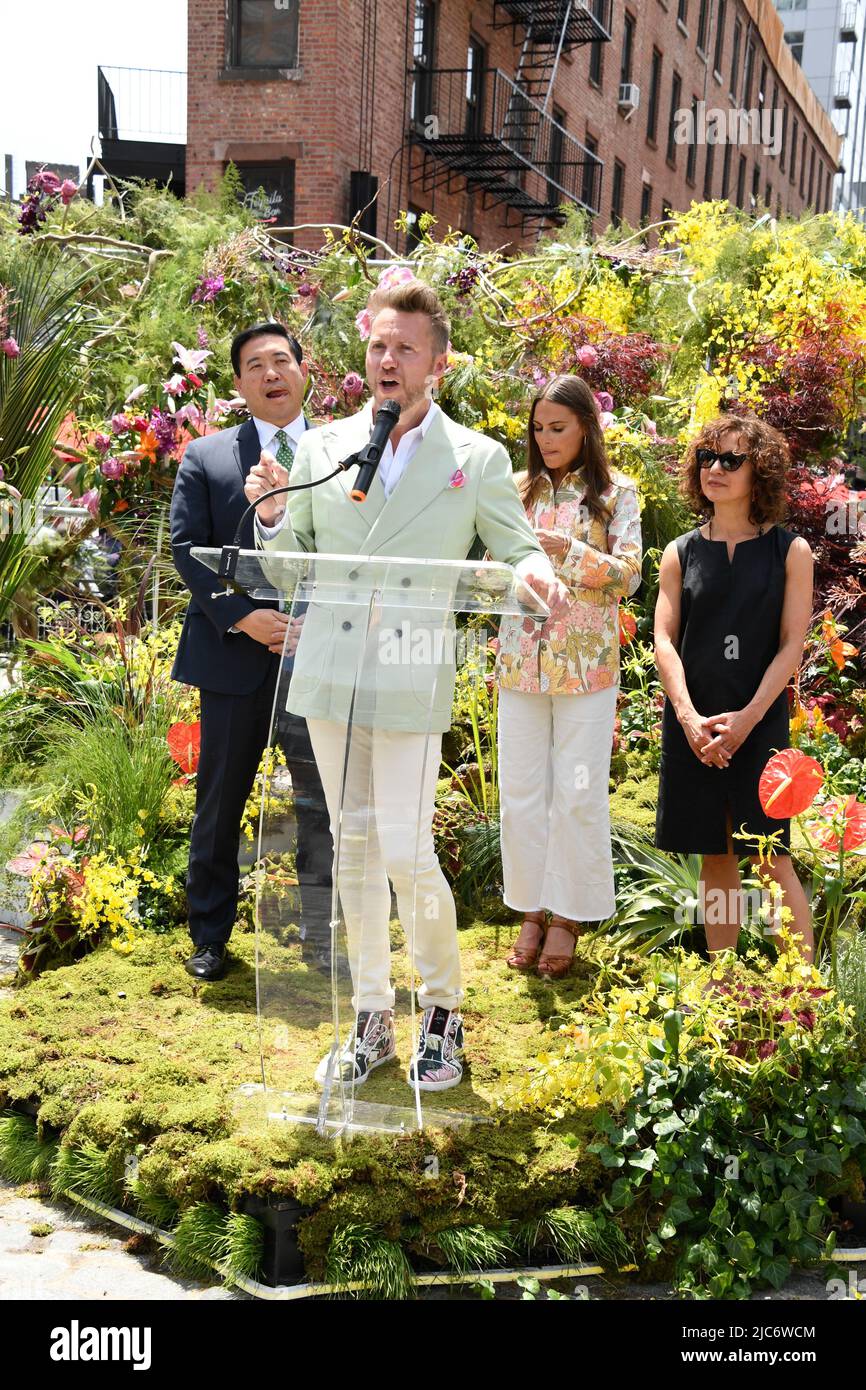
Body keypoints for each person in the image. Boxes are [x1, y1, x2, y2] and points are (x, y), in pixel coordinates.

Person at [244, 278, 567, 1091]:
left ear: (438, 363)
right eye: (378, 346)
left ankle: (444, 1013)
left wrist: (537, 579)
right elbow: (289, 570)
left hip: (413, 669)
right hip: (330, 670)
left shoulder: (479, 457)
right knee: (350, 845)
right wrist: (275, 520)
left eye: (405, 349)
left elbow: (517, 545)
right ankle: (370, 1018)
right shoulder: (320, 448)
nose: (387, 361)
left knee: (405, 848)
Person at [170, 323, 334, 982]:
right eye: (254, 365)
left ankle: (321, 938)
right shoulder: (207, 456)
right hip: (234, 658)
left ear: (303, 371)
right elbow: (187, 549)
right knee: (220, 799)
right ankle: (210, 936)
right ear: (238, 383)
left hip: (316, 652)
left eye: (281, 360)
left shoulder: (338, 454)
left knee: (320, 802)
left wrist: (306, 620)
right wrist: (245, 618)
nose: (270, 373)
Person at [495, 375, 642, 978]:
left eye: (558, 427)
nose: (546, 438)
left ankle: (568, 916)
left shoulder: (615, 494)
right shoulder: (514, 491)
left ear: (586, 427)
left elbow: (630, 576)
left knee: (577, 793)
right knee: (522, 794)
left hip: (587, 669)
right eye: (539, 428)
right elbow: (492, 562)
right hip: (519, 664)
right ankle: (530, 908)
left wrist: (568, 551)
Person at [654, 413, 815, 961]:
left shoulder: (790, 553)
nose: (714, 469)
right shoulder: (679, 553)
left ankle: (802, 989)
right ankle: (722, 984)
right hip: (693, 726)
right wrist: (690, 719)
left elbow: (792, 645)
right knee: (714, 855)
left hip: (761, 722)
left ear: (760, 472)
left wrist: (746, 720)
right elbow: (664, 640)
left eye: (730, 459)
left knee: (772, 856)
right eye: (707, 458)